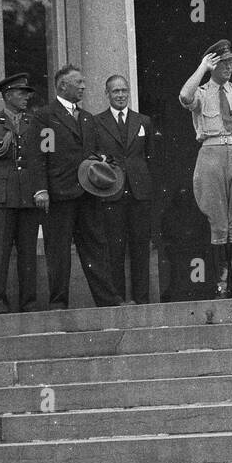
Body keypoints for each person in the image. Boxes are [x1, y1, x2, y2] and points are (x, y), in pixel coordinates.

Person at [178, 41, 232, 297]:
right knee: (218, 221)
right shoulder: (201, 92)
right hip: (211, 153)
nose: (229, 67)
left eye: (231, 62)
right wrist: (202, 68)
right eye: (223, 62)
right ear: (211, 64)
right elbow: (184, 96)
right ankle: (220, 284)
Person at [37, 64, 120, 309]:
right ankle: (58, 302)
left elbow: (97, 150)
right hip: (60, 194)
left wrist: (104, 160)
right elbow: (41, 155)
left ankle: (107, 301)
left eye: (83, 83)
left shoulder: (86, 118)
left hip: (88, 193)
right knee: (59, 252)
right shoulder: (46, 116)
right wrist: (41, 189)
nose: (83, 87)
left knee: (96, 247)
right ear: (63, 86)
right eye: (79, 83)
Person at [0, 72, 48, 314]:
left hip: (28, 195)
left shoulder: (35, 123)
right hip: (1, 196)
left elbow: (41, 159)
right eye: (21, 93)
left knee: (28, 253)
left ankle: (29, 303)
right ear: (7, 96)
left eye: (27, 93)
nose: (26, 97)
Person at [94, 74, 154, 304]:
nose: (120, 95)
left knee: (140, 246)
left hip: (139, 192)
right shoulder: (98, 122)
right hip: (112, 192)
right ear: (107, 94)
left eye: (124, 91)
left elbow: (150, 156)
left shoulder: (143, 121)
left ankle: (142, 299)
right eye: (115, 91)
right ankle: (117, 298)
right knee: (114, 248)